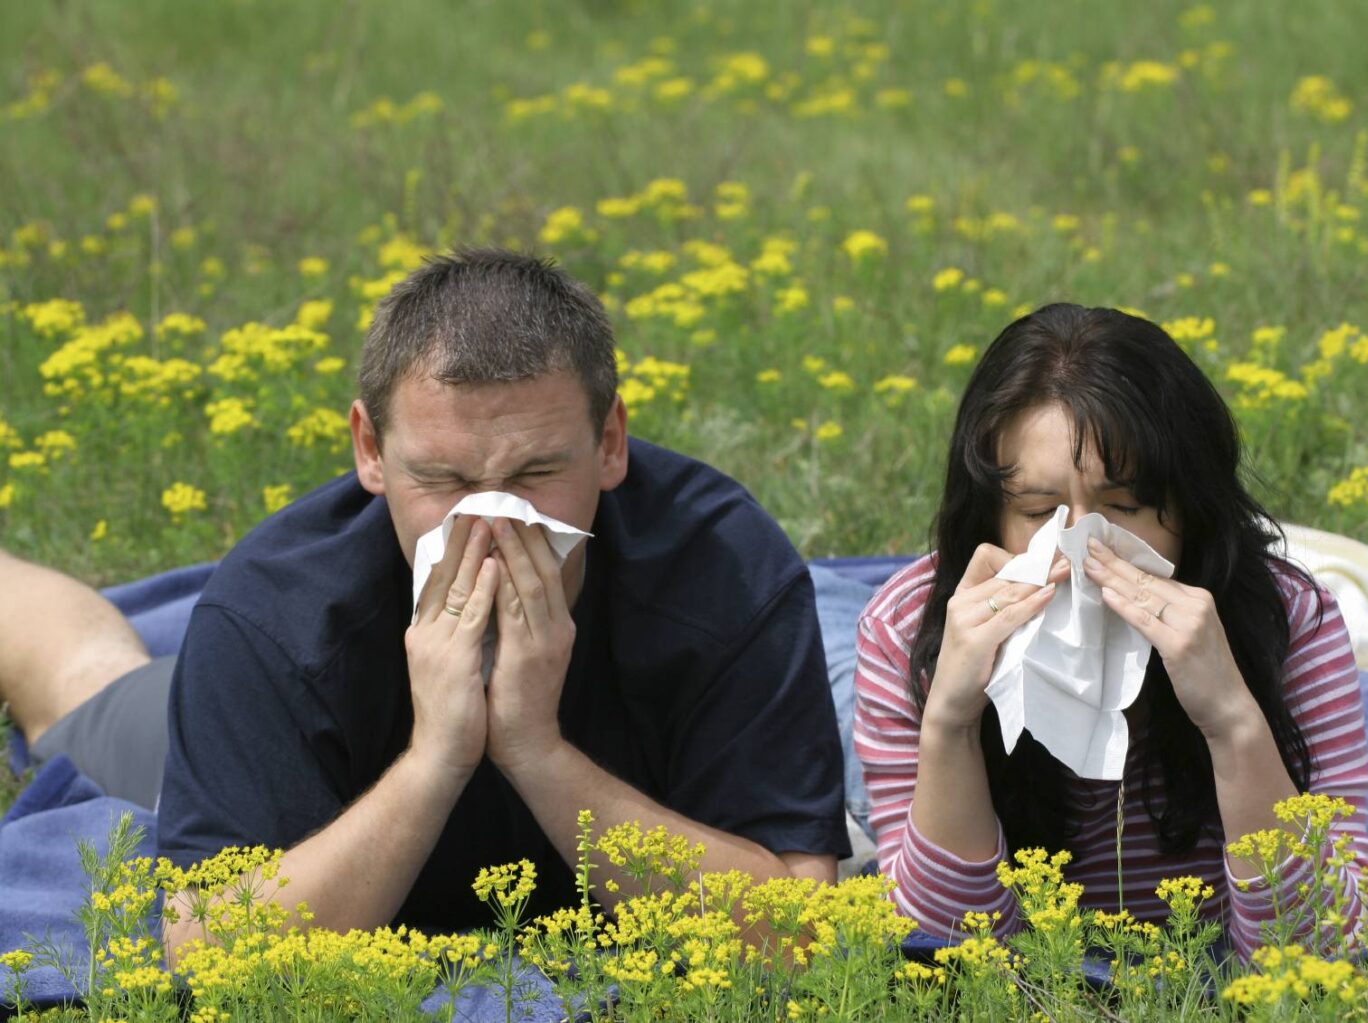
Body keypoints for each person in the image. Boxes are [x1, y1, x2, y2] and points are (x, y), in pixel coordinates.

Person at [1, 249, 850, 955]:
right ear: (370, 450)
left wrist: (537, 751)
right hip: (233, 731)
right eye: (443, 480)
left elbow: (797, 927)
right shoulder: (275, 613)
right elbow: (207, 951)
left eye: (535, 474)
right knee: (84, 675)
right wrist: (435, 757)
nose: (490, 519)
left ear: (612, 442)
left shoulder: (723, 570)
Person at [852, 303, 1368, 958]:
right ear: (988, 515)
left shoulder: (1287, 617)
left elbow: (1336, 951)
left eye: (1124, 508)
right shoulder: (906, 629)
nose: (1082, 548)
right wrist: (950, 722)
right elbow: (936, 954)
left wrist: (1232, 717)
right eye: (1040, 511)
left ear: (1190, 509)